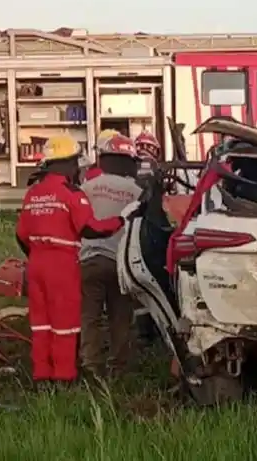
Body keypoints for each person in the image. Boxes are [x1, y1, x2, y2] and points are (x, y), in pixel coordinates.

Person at [16, 135, 126, 386]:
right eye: (76, 162)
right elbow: (92, 229)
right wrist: (122, 220)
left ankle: (41, 377)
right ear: (67, 163)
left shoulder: (32, 193)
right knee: (65, 324)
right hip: (62, 265)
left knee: (41, 324)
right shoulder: (71, 193)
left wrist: (37, 256)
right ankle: (64, 378)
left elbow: (21, 234)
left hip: (36, 264)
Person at [79, 133, 144, 377]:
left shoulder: (86, 188)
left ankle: (91, 366)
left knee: (90, 317)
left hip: (88, 261)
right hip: (120, 264)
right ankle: (118, 367)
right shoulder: (136, 192)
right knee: (121, 317)